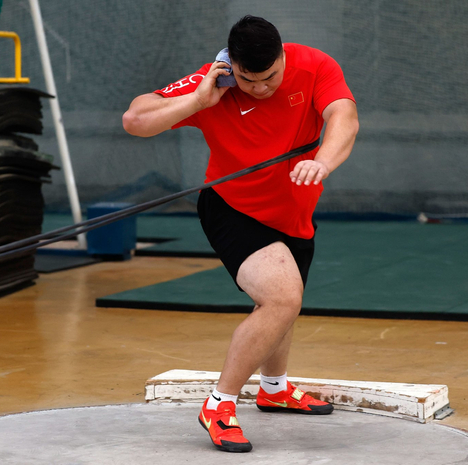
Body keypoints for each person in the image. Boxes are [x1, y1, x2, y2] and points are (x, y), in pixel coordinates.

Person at [123, 16, 358, 452]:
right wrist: (197, 101)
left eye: (271, 77)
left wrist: (323, 161)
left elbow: (344, 116)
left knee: (283, 306)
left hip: (294, 213)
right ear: (231, 65)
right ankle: (219, 404)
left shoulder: (314, 66)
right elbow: (135, 119)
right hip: (233, 208)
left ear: (282, 56)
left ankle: (274, 388)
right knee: (282, 298)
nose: (261, 88)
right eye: (249, 80)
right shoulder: (212, 85)